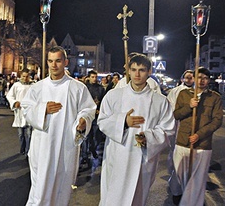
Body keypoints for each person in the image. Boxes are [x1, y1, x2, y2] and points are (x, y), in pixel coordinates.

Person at [21, 46, 96, 206]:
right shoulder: (37, 88)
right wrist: (43, 109)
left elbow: (88, 109)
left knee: (61, 188)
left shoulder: (78, 88)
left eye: (58, 61)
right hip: (42, 146)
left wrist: (83, 121)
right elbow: (26, 109)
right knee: (39, 188)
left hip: (65, 147)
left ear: (65, 62)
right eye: (50, 61)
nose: (54, 65)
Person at [97, 53, 175, 206]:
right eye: (133, 70)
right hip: (116, 155)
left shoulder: (160, 101)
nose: (137, 74)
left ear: (149, 72)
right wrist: (123, 121)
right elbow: (102, 121)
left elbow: (168, 129)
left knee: (137, 198)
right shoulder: (113, 96)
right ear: (128, 71)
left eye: (142, 70)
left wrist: (149, 137)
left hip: (143, 159)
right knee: (111, 198)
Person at [172, 67, 223, 206]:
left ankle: (192, 203)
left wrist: (199, 135)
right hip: (183, 142)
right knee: (180, 175)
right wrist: (189, 106)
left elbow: (217, 121)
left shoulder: (215, 97)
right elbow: (176, 115)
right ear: (193, 78)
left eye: (205, 78)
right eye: (199, 77)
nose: (202, 81)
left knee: (198, 179)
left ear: (208, 81)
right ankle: (180, 196)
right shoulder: (183, 94)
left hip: (203, 144)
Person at [166, 70, 194, 197]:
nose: (189, 79)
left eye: (192, 77)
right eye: (187, 77)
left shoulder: (198, 91)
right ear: (183, 79)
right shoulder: (176, 91)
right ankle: (175, 184)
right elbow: (170, 108)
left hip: (193, 129)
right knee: (176, 154)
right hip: (177, 126)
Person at [82, 70, 105, 172]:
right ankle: (85, 154)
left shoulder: (100, 89)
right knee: (87, 136)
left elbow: (103, 101)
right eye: (92, 77)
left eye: (95, 77)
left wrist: (100, 109)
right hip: (87, 115)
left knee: (97, 135)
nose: (94, 79)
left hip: (97, 115)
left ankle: (92, 148)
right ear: (89, 77)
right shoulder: (85, 88)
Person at [6, 69, 33, 155]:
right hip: (20, 112)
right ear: (21, 76)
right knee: (21, 133)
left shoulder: (33, 85)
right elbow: (9, 95)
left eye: (27, 76)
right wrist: (14, 103)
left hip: (29, 112)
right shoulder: (16, 85)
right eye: (23, 76)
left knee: (29, 133)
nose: (25, 78)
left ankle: (28, 151)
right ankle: (22, 147)